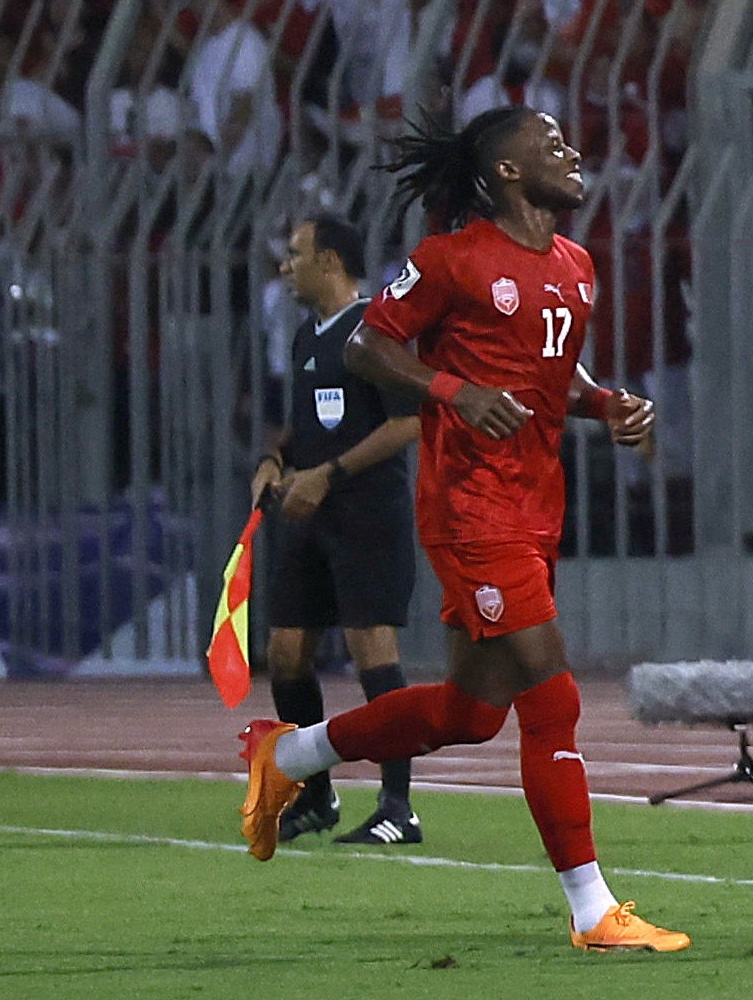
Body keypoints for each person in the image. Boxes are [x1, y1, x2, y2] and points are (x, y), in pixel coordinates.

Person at [235, 107, 682, 953]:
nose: (571, 151)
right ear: (507, 172)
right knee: (553, 694)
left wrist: (601, 402)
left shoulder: (577, 266)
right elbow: (370, 344)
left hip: (534, 504)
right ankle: (593, 911)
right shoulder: (450, 258)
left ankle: (287, 758)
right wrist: (452, 392)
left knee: (469, 714)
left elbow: (548, 369)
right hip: (471, 507)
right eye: (551, 145)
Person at [251, 214, 424, 845]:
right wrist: (275, 460)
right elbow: (301, 423)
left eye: (294, 254)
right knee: (285, 652)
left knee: (373, 653)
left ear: (329, 261)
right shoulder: (305, 336)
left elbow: (410, 422)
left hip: (367, 515)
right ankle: (318, 794)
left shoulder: (379, 330)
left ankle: (399, 805)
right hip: (310, 514)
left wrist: (329, 472)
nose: (285, 266)